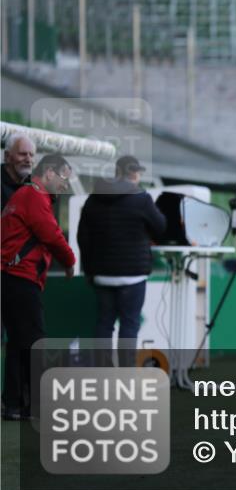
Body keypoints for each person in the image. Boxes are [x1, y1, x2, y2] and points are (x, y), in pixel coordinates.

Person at [1, 154, 76, 420]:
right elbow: (52, 235)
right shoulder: (34, 197)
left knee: (18, 343)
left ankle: (14, 404)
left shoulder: (21, 195)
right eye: (64, 178)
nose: (66, 185)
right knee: (34, 341)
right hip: (21, 278)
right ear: (49, 173)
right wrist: (70, 261)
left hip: (10, 277)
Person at [77, 156, 166, 367]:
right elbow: (161, 227)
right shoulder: (141, 198)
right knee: (130, 325)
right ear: (133, 174)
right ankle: (126, 378)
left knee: (104, 323)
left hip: (102, 275)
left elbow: (83, 238)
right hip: (133, 275)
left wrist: (90, 271)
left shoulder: (93, 198)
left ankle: (103, 375)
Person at [1, 134, 36, 209]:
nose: (28, 160)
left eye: (31, 155)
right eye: (23, 154)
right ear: (7, 156)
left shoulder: (35, 185)